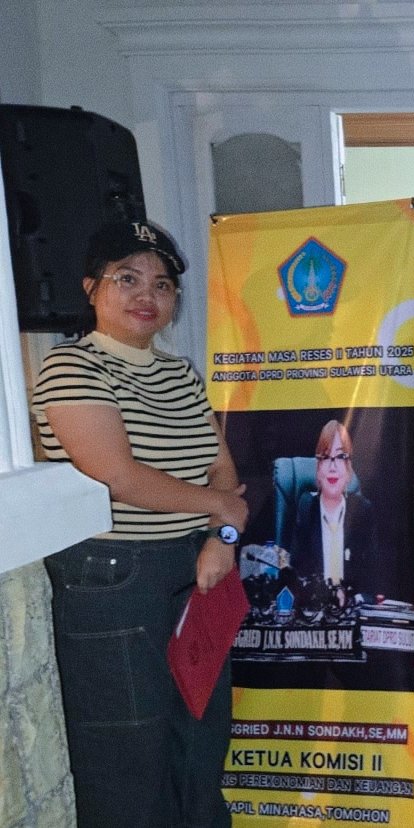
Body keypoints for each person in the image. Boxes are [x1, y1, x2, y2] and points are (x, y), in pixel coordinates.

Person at [31, 221, 249, 828]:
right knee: (128, 755)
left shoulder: (180, 374)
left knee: (202, 736)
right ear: (91, 288)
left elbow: (223, 472)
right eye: (126, 278)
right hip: (114, 579)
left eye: (162, 283)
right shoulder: (70, 366)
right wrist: (221, 510)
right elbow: (118, 476)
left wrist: (223, 537)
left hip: (199, 568)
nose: (146, 294)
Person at [290, 418, 382, 597]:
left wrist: (349, 597)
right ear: (318, 468)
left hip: (352, 606)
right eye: (325, 457)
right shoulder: (306, 508)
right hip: (316, 605)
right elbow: (297, 572)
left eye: (340, 457)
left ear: (348, 469)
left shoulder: (363, 511)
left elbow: (372, 578)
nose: (332, 467)